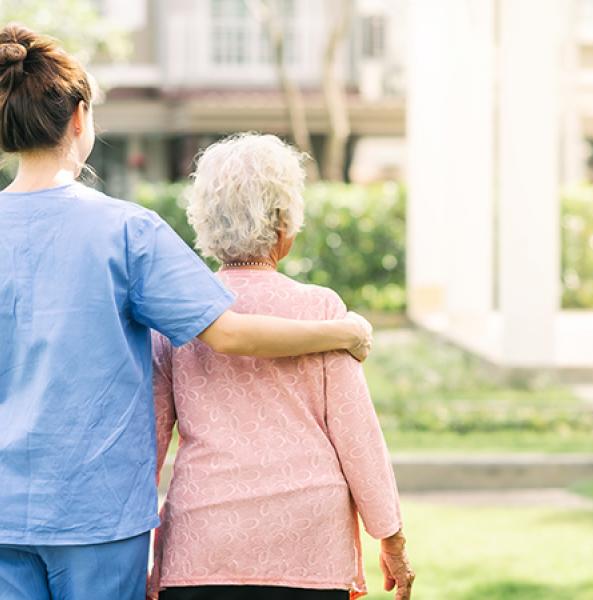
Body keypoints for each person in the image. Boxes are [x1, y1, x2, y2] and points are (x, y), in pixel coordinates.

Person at [0, 24, 373, 600]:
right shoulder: (126, 230)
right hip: (96, 516)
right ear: (79, 117)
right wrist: (341, 331)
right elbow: (229, 334)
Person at [147, 133, 415, 600]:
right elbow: (358, 437)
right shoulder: (322, 310)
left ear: (205, 220)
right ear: (283, 222)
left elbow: (146, 442)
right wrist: (391, 538)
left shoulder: (178, 316)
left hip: (204, 544)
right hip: (309, 547)